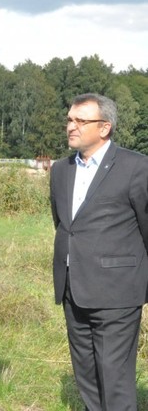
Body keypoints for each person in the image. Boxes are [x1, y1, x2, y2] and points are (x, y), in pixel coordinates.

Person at [50, 93, 148, 410]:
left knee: (114, 377)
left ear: (104, 127)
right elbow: (64, 225)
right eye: (69, 119)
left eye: (81, 121)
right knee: (86, 375)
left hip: (117, 292)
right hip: (73, 288)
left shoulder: (136, 167)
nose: (71, 126)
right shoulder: (60, 170)